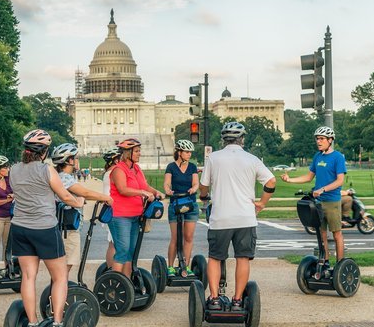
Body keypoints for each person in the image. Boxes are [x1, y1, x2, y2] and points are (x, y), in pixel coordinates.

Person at [9, 129, 84, 327]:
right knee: (59, 277)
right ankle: (58, 323)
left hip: (20, 228)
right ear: (44, 152)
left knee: (28, 277)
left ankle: (32, 324)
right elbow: (65, 196)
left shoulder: (14, 170)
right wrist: (78, 202)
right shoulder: (47, 170)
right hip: (44, 228)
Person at [199, 122, 275, 311]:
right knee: (242, 258)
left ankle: (215, 298)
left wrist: (203, 196)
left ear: (223, 140)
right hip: (245, 217)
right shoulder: (252, 159)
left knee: (215, 258)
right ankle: (238, 300)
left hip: (221, 218)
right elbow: (271, 182)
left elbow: (204, 186)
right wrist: (262, 203)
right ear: (242, 139)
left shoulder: (214, 158)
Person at [282, 126, 347, 274]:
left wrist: (323, 189)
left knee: (337, 233)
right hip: (318, 202)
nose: (319, 141)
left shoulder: (337, 157)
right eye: (317, 138)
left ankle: (340, 265)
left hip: (332, 201)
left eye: (322, 139)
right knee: (321, 233)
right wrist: (290, 180)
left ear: (330, 140)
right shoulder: (317, 157)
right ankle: (325, 261)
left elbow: (339, 181)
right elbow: (309, 177)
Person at [51, 143, 113, 276]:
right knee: (66, 264)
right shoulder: (64, 177)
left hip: (64, 225)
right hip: (68, 228)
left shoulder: (59, 176)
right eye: (75, 158)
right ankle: (59, 292)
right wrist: (106, 197)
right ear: (69, 160)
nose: (77, 160)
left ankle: (59, 289)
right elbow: (85, 193)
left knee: (64, 264)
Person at [109, 138, 164, 278]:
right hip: (120, 217)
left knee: (130, 252)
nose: (139, 154)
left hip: (135, 216)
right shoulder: (118, 170)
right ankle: (115, 285)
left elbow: (144, 186)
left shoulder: (136, 168)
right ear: (128, 153)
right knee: (122, 251)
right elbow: (123, 189)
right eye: (137, 151)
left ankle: (127, 285)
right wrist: (142, 193)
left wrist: (155, 192)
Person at [163, 139, 200, 277]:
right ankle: (170, 267)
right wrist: (168, 191)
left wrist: (193, 188)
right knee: (176, 237)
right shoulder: (171, 167)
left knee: (188, 237)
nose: (189, 154)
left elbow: (196, 183)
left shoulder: (192, 167)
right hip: (176, 203)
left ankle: (186, 266)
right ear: (179, 152)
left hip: (190, 204)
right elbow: (166, 183)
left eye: (190, 152)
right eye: (186, 152)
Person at [101, 146, 121, 269]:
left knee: (113, 243)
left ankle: (112, 269)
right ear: (116, 160)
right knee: (114, 244)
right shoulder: (113, 173)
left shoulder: (109, 172)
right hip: (113, 210)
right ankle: (113, 271)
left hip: (111, 210)